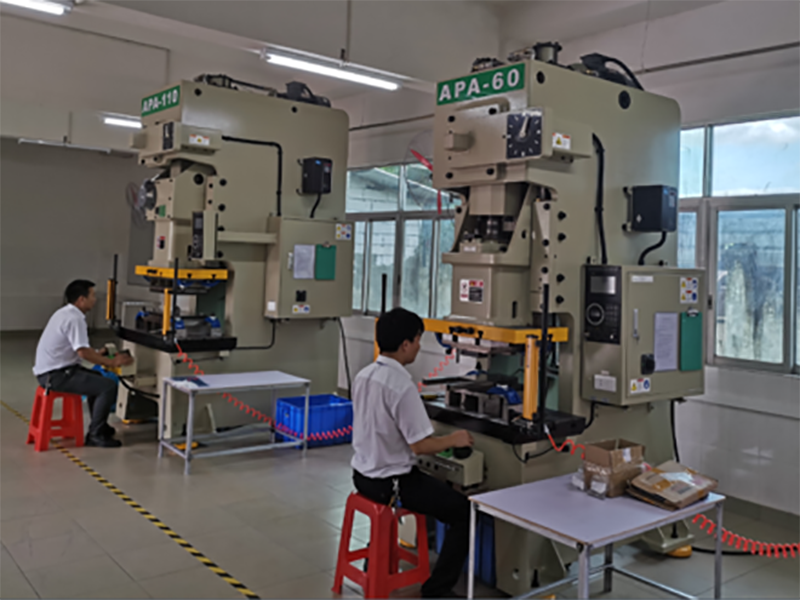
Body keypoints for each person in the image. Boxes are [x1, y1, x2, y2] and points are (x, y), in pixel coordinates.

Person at [351, 308, 474, 598]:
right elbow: (420, 445)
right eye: (418, 340)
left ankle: (375, 561)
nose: (419, 346)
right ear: (405, 344)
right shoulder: (401, 386)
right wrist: (454, 439)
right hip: (391, 483)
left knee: (432, 489)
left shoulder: (364, 376)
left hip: (362, 476)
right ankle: (437, 590)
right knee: (464, 512)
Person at [33, 280, 134, 448]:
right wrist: (112, 361)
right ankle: (95, 435)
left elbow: (79, 347)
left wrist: (98, 353)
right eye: (92, 296)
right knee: (107, 386)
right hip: (56, 375)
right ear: (81, 299)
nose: (95, 300)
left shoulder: (64, 313)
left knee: (98, 377)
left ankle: (99, 425)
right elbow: (83, 353)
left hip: (52, 371)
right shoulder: (75, 319)